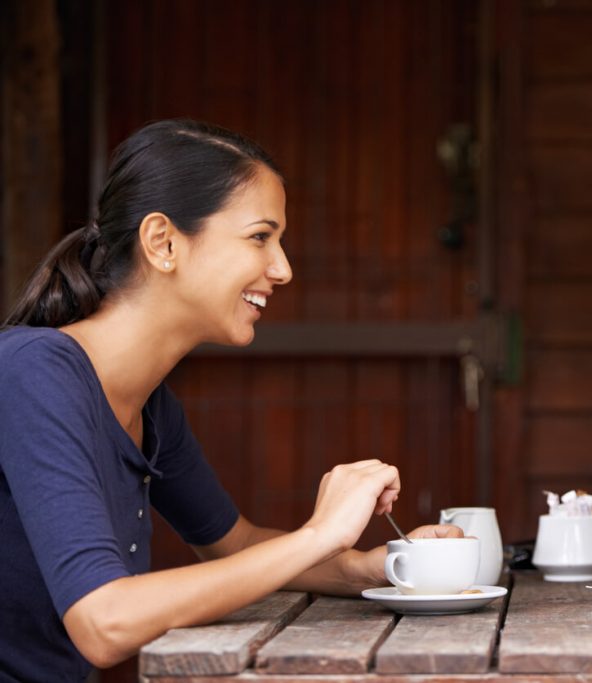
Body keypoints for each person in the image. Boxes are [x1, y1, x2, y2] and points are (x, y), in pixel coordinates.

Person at [0, 119, 460, 681]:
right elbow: (104, 622)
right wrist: (321, 534)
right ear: (163, 242)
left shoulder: (151, 405)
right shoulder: (33, 372)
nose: (282, 269)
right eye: (260, 237)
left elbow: (232, 544)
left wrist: (368, 567)